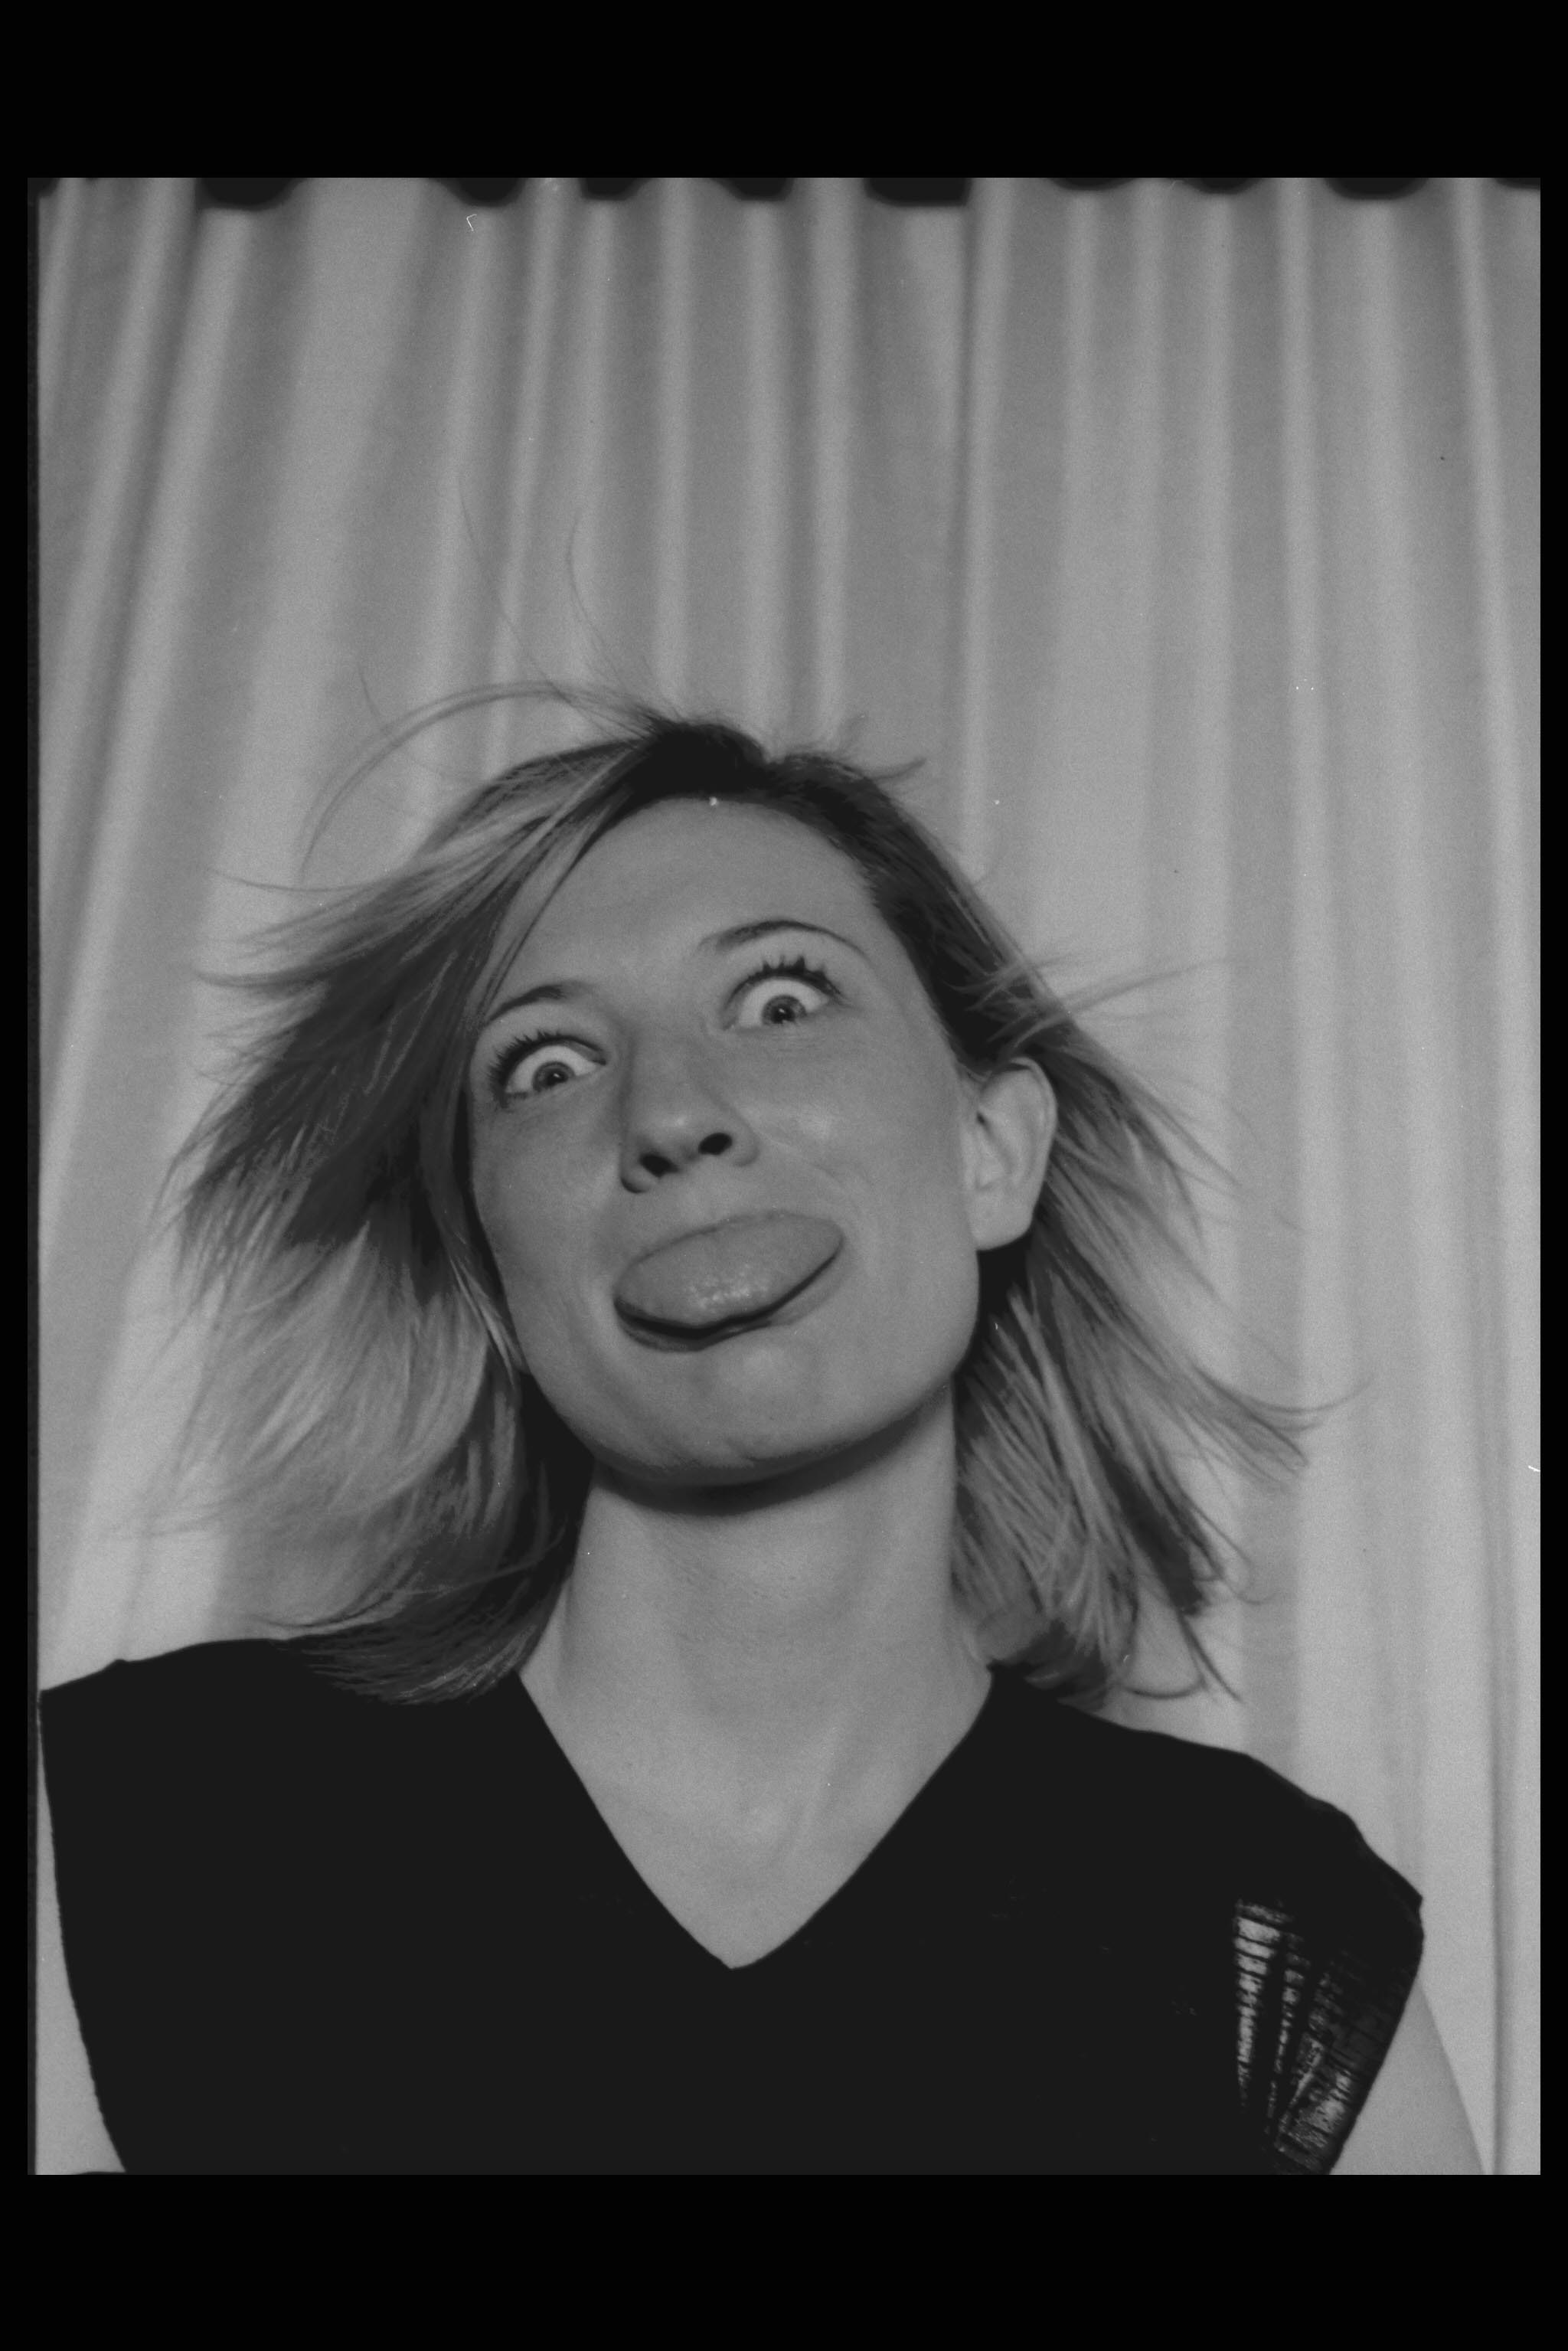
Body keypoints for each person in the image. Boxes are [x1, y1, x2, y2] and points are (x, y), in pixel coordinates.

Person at [40, 699, 1483, 2175]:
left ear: (992, 1151)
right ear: (488, 1261)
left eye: (784, 1001)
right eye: (547, 1066)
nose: (671, 1113)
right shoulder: (133, 1823)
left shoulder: (1260, 1933)